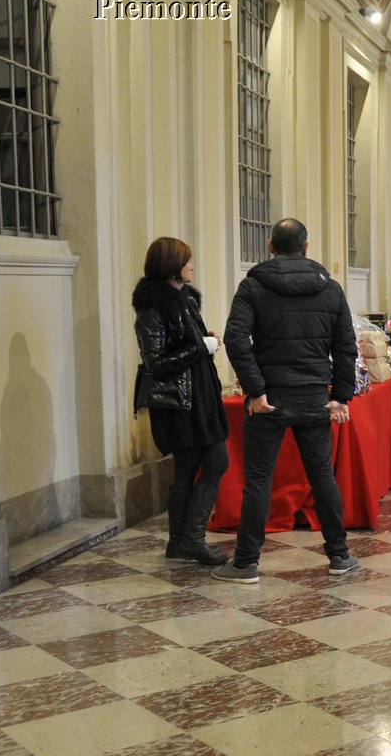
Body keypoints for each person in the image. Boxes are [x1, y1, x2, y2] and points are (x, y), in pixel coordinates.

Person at [214, 218, 360, 583]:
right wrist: (340, 396)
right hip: (314, 398)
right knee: (323, 476)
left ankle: (246, 563)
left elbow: (235, 339)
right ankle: (339, 555)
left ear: (270, 245)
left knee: (259, 480)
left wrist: (255, 389)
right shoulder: (331, 289)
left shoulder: (253, 286)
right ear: (307, 248)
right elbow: (346, 347)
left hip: (270, 400)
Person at [131, 236, 229, 565]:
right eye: (187, 261)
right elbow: (156, 362)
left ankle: (178, 543)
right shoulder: (152, 306)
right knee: (215, 460)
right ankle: (192, 539)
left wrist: (205, 340)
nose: (192, 266)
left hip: (197, 394)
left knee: (191, 466)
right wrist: (203, 347)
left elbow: (185, 343)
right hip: (178, 401)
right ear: (171, 265)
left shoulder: (183, 298)